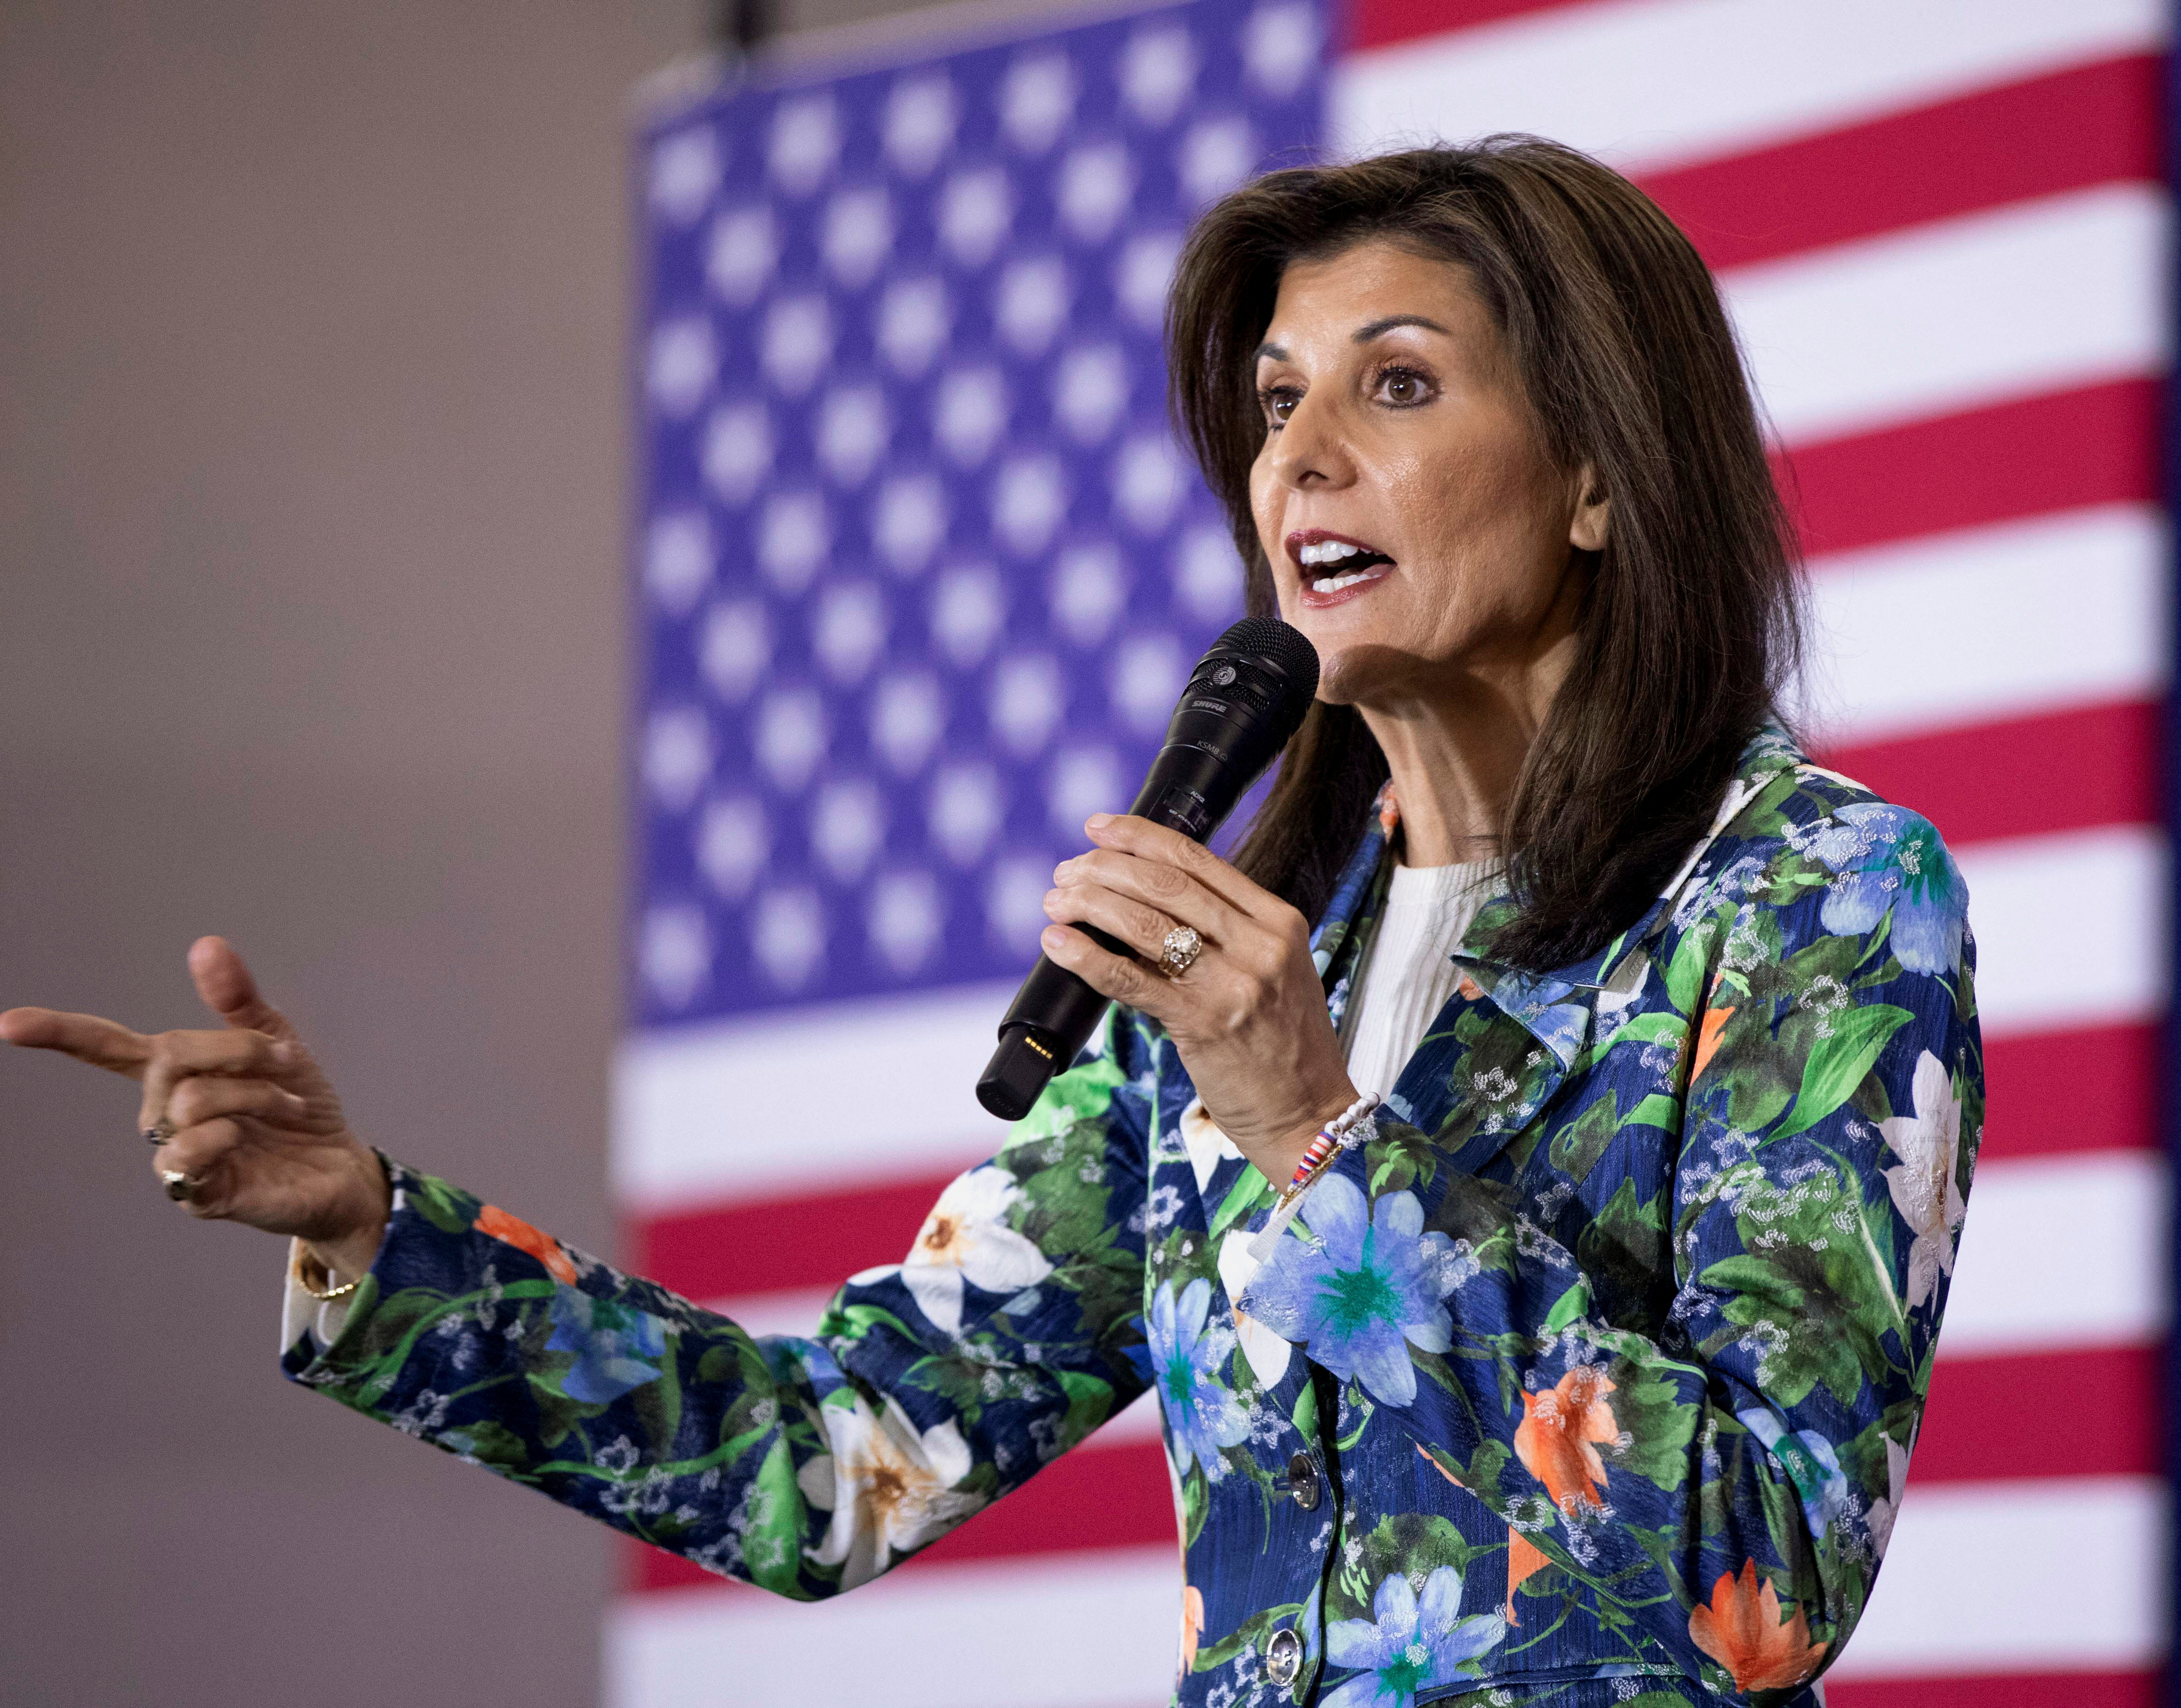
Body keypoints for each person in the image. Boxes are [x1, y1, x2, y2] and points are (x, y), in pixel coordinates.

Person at [2, 138, 1979, 1708]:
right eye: (1277, 398)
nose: (1298, 451)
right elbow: (841, 1461)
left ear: (1595, 480)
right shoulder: (1239, 949)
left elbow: (1768, 1578)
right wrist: (373, 1234)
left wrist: (1315, 1136)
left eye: (1397, 385)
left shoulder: (1808, 895)